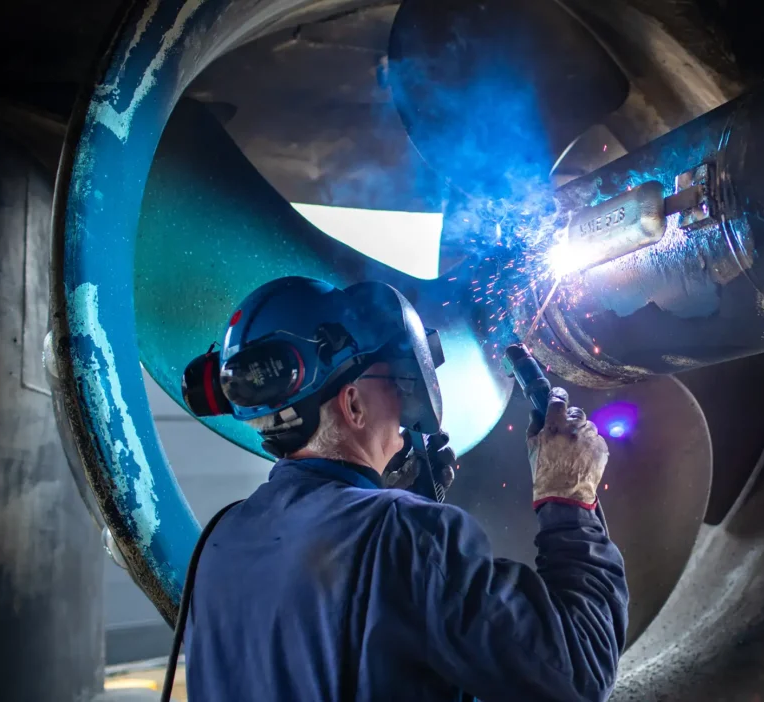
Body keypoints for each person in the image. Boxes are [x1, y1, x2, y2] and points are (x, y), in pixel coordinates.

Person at [179, 276, 628, 701]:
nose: (404, 401)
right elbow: (577, 673)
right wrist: (568, 498)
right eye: (394, 381)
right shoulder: (404, 535)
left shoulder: (220, 540)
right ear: (353, 404)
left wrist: (395, 503)